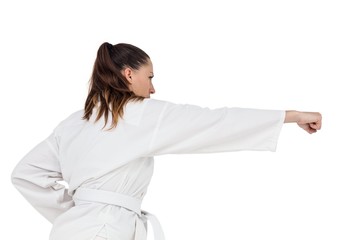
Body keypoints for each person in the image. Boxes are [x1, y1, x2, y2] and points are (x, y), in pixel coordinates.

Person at [11, 42, 322, 240]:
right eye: (151, 77)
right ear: (129, 74)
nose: (153, 88)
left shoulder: (74, 122)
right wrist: (291, 115)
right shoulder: (142, 115)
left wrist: (74, 213)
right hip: (104, 232)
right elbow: (215, 122)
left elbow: (27, 173)